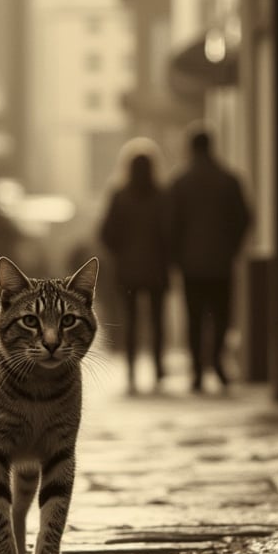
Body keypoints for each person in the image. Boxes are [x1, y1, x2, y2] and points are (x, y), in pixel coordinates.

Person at [166, 124, 252, 392]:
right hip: (221, 262)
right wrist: (232, 247)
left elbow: (170, 225)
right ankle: (217, 362)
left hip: (191, 264)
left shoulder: (180, 183)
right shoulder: (229, 180)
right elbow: (245, 218)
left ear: (191, 149)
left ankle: (197, 372)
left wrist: (177, 255)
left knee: (194, 318)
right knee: (222, 315)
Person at [98, 139, 170, 394]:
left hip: (127, 270)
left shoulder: (119, 196)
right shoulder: (162, 195)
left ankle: (130, 369)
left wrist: (120, 252)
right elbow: (170, 231)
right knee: (157, 319)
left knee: (130, 320)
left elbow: (106, 233)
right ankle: (159, 368)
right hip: (157, 268)